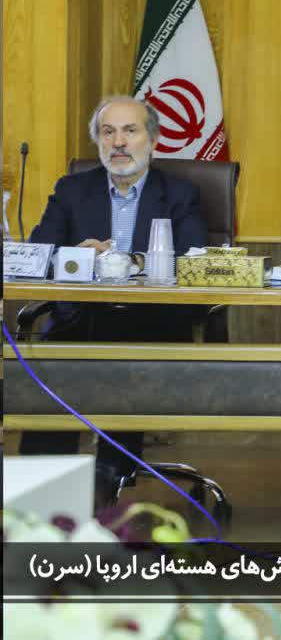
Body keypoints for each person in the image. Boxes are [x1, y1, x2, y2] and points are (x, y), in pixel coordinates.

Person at [19, 95, 208, 500]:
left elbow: (192, 259)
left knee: (123, 358)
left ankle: (108, 482)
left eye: (130, 131)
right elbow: (38, 254)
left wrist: (131, 261)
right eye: (108, 132)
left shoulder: (179, 193)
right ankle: (39, 496)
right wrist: (75, 257)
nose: (118, 142)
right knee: (48, 375)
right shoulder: (72, 190)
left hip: (152, 326)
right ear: (98, 142)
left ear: (152, 140)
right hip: (78, 322)